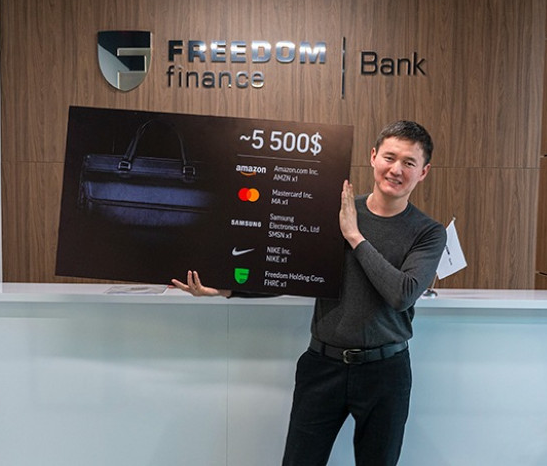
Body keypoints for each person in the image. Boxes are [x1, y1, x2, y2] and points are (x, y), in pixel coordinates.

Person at [172, 120, 446, 466]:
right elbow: (293, 275)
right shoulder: (337, 212)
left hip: (385, 372)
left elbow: (402, 294)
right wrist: (225, 289)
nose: (396, 170)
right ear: (373, 157)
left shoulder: (427, 233)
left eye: (409, 162)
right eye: (390, 158)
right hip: (322, 365)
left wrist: (354, 237)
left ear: (423, 172)